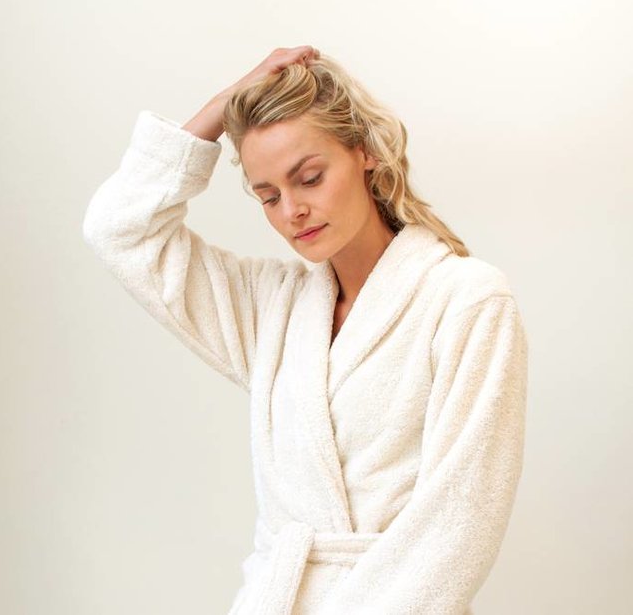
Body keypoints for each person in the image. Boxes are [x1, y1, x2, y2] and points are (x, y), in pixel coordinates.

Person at [82, 45, 528, 615]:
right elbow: (119, 230)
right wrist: (227, 103)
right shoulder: (272, 309)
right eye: (268, 196)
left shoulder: (466, 300)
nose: (292, 210)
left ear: (365, 152)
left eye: (310, 178)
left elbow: (458, 526)